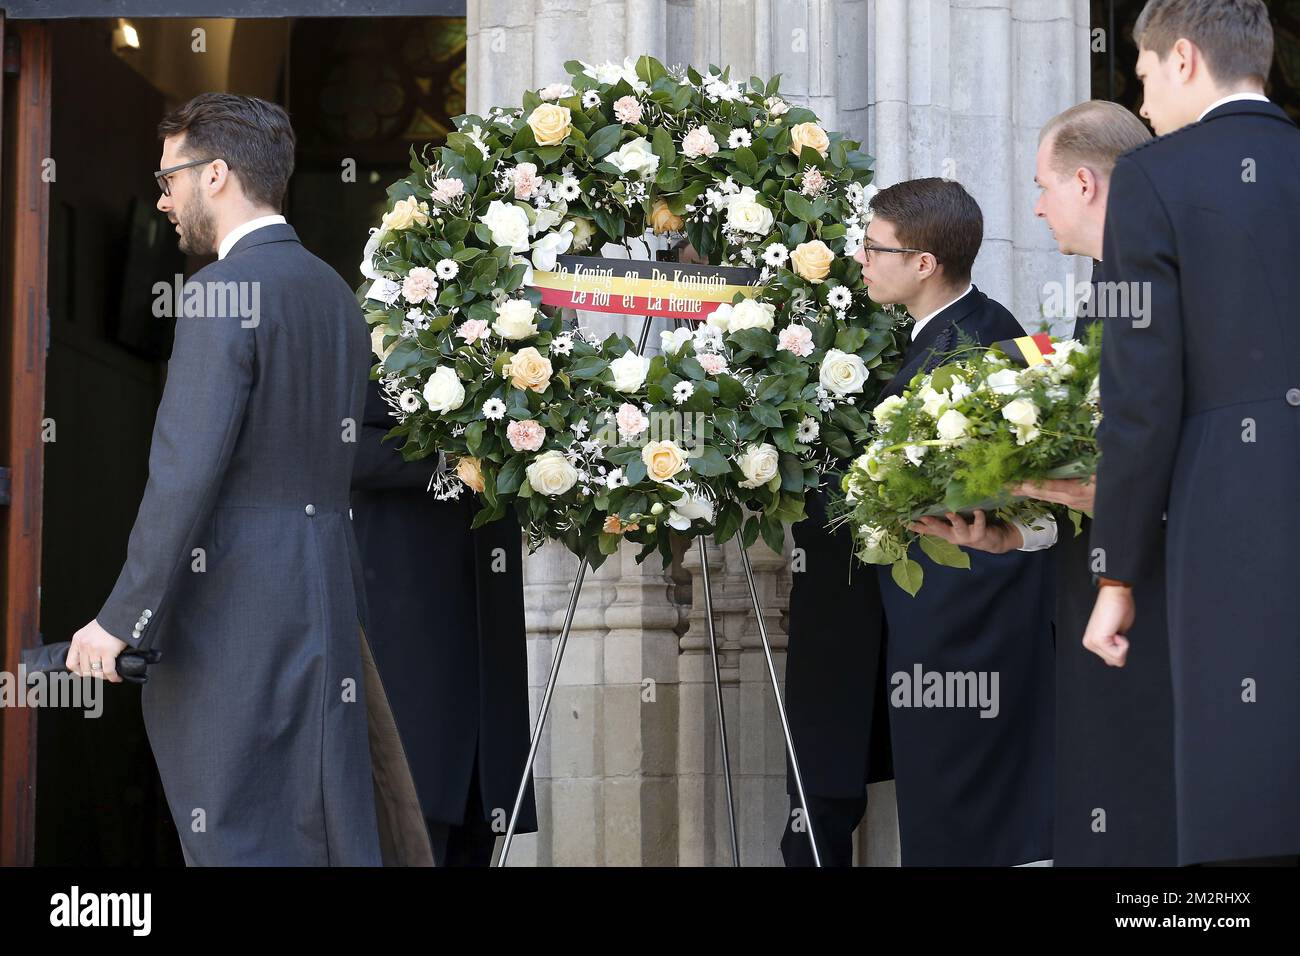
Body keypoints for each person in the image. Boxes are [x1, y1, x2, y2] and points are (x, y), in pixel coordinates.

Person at [67, 93, 428, 865]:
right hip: (328, 599)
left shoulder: (217, 294)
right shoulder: (334, 294)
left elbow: (184, 474)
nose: (162, 199)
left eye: (169, 179)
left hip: (238, 616)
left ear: (218, 174)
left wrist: (122, 617)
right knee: (321, 832)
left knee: (240, 837)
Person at [1082, 0, 1300, 866]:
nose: (1141, 106)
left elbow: (1141, 398)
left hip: (1232, 508)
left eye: (1140, 77)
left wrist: (1118, 573)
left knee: (1245, 785)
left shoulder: (1156, 178)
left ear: (1182, 60)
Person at [857, 178, 1057, 866]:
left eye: (874, 246)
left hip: (968, 623)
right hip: (948, 618)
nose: (861, 257)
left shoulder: (978, 345)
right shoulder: (957, 331)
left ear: (922, 263)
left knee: (967, 816)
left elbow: (987, 493)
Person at [1021, 100, 1178, 866]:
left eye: (1044, 185)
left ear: (1084, 182)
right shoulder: (1106, 285)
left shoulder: (1160, 274)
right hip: (1095, 597)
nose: (1037, 205)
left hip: (1156, 603)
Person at [351, 379, 538, 866]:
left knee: (479, 819)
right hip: (411, 617)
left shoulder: (504, 344)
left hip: (485, 615)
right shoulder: (370, 333)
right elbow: (344, 447)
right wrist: (455, 461)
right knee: (413, 818)